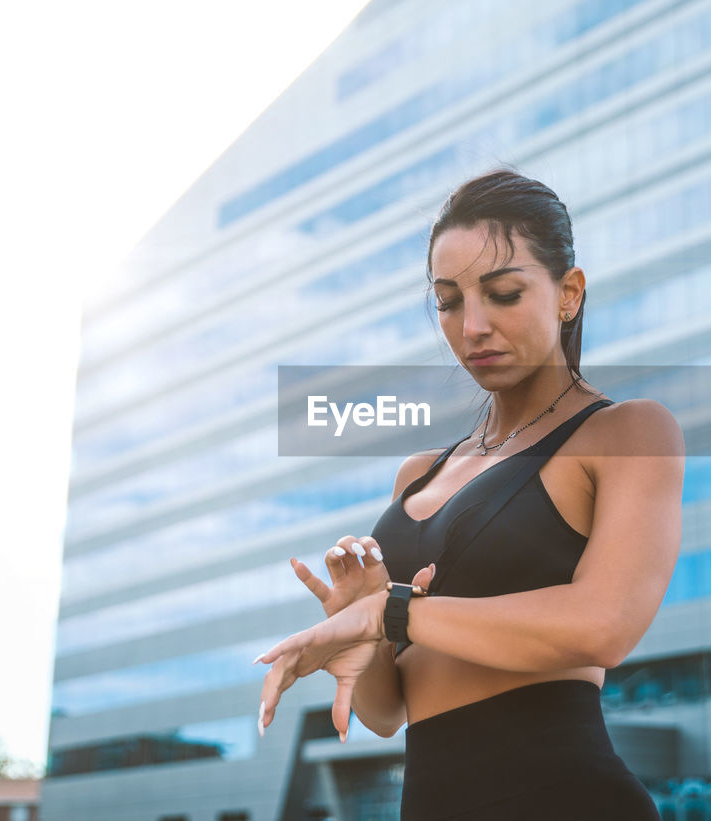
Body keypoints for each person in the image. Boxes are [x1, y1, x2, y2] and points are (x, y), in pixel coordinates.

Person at [255, 169, 685, 819]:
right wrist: (361, 633)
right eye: (449, 301)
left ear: (569, 293)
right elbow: (388, 709)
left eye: (504, 292)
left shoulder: (625, 431)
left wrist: (390, 613)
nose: (473, 325)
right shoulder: (420, 474)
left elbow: (605, 625)